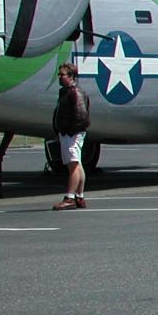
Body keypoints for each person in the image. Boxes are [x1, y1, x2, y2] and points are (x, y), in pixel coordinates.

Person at [51, 62, 91, 210]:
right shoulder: (65, 91)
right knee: (77, 164)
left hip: (72, 133)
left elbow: (81, 116)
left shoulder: (75, 92)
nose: (59, 77)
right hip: (68, 133)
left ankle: (70, 197)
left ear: (71, 76)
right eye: (59, 75)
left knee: (73, 165)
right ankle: (79, 196)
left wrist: (69, 130)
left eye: (62, 75)